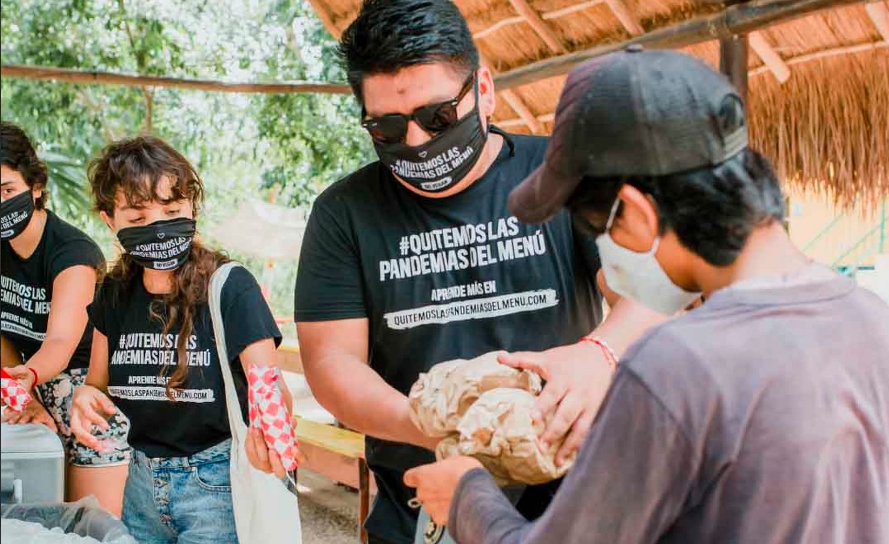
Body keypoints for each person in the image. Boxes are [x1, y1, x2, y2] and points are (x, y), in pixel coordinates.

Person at [403, 47, 889, 543]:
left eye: (594, 227)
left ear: (634, 213)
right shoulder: (870, 319)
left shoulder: (676, 366)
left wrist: (467, 496)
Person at [293, 1, 661, 542]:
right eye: (388, 129)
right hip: (426, 499)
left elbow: (653, 296)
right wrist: (432, 422)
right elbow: (331, 363)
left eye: (438, 117)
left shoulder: (564, 173)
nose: (417, 143)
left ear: (484, 91)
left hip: (574, 494)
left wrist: (597, 355)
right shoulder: (343, 213)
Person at [69, 135, 292, 543]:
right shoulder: (115, 292)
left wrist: (272, 432)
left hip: (215, 484)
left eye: (171, 210)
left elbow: (268, 386)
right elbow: (96, 385)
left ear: (191, 207)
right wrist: (84, 399)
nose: (157, 227)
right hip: (139, 483)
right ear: (109, 220)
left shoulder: (229, 286)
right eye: (137, 218)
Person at [1, 121, 130, 515]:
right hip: (29, 378)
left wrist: (25, 383)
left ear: (35, 186)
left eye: (6, 191)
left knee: (87, 521)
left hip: (88, 382)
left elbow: (60, 342)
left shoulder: (72, 253)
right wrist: (24, 397)